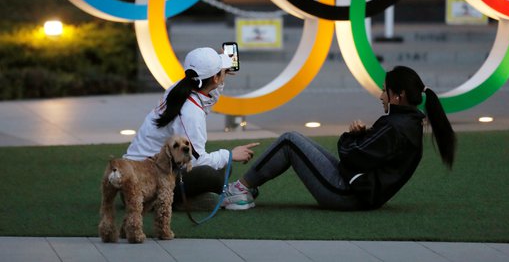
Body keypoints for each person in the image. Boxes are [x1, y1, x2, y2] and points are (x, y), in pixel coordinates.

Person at [221, 66, 456, 211]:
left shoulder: (396, 126)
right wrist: (361, 136)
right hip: (360, 193)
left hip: (347, 195)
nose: (381, 96)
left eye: (384, 90)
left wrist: (350, 136)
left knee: (289, 140)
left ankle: (239, 190)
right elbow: (368, 154)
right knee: (294, 140)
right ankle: (245, 189)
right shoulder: (408, 123)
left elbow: (352, 156)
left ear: (398, 96)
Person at [124, 47, 259, 206]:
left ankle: (191, 198)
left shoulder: (179, 89)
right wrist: (230, 155)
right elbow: (195, 162)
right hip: (141, 187)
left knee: (221, 168)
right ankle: (173, 202)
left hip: (134, 177)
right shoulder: (190, 113)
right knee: (212, 175)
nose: (224, 72)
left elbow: (206, 98)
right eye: (221, 71)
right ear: (214, 78)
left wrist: (219, 79)